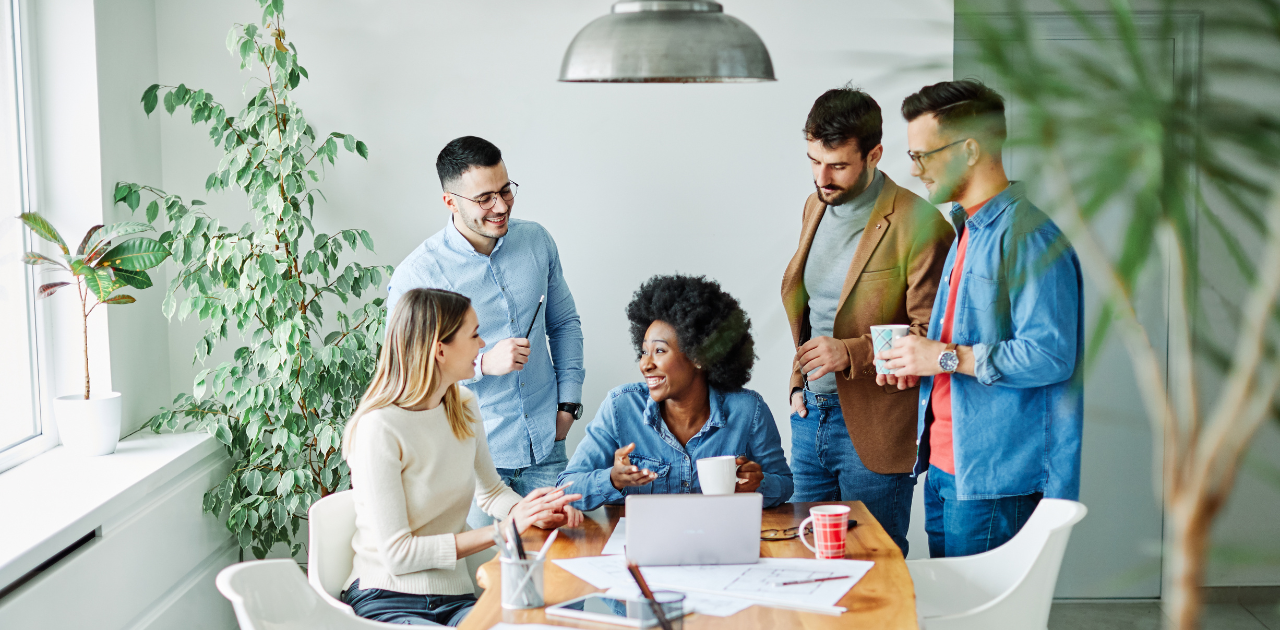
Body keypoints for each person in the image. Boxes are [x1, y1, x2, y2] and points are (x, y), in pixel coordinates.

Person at [880, 79, 1084, 558]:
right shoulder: (966, 231)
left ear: (969, 150)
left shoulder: (1028, 236)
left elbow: (1051, 356)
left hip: (996, 481)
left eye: (922, 156)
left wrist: (946, 357)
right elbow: (957, 351)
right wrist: (921, 362)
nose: (916, 172)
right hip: (946, 469)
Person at [339, 288, 583, 626]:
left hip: (455, 598)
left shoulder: (463, 405)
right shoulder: (379, 428)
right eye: (474, 334)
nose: (483, 345)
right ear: (440, 350)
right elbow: (399, 556)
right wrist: (505, 530)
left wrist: (531, 512)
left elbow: (492, 493)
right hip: (386, 598)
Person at [780, 86, 954, 554]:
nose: (823, 177)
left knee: (874, 564)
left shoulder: (920, 224)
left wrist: (850, 352)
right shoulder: (815, 205)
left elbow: (931, 336)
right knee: (804, 560)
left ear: (874, 154)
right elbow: (812, 307)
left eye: (837, 165)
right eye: (814, 160)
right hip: (809, 418)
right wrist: (798, 382)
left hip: (875, 429)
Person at [386, 136, 586, 530]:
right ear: (451, 201)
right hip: (471, 461)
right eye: (484, 198)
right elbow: (407, 371)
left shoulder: (536, 241)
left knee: (563, 576)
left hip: (548, 447)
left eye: (506, 190)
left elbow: (564, 324)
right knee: (491, 582)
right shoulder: (418, 275)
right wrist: (482, 363)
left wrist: (568, 407)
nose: (501, 206)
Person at [558, 275, 793, 511]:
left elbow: (784, 484)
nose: (645, 365)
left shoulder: (748, 410)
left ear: (699, 355)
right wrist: (613, 479)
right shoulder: (621, 407)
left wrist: (756, 485)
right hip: (644, 542)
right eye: (643, 352)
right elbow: (566, 488)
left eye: (659, 350)